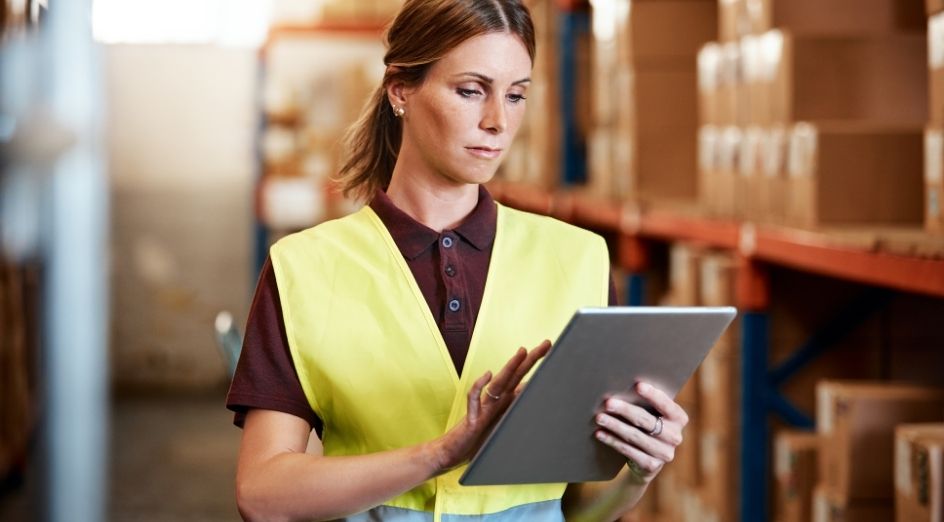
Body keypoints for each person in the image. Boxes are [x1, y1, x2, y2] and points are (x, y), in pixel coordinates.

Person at [226, 1, 689, 520]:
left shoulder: (578, 257)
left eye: (516, 96)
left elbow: (576, 508)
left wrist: (636, 476)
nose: (497, 121)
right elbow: (261, 494)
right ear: (401, 90)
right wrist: (439, 454)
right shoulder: (304, 270)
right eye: (471, 90)